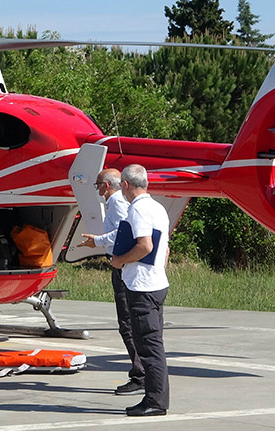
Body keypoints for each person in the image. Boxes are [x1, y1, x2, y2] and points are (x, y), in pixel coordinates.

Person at [110, 164, 170, 417]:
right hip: (157, 284)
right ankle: (156, 398)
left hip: (142, 288)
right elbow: (164, 249)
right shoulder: (158, 208)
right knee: (153, 344)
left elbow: (145, 246)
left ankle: (155, 401)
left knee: (148, 346)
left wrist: (120, 261)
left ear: (125, 185)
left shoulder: (138, 210)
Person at [79, 168, 145, 396]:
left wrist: (96, 241)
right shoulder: (116, 203)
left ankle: (140, 375)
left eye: (98, 185)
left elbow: (122, 233)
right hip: (121, 265)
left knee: (127, 323)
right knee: (128, 322)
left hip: (122, 267)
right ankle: (142, 373)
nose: (97, 189)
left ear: (106, 186)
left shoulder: (116, 202)